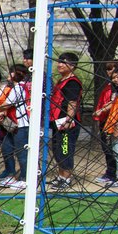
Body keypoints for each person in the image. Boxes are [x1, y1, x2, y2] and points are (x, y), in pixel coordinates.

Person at [47, 52, 83, 190]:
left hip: (67, 123)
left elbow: (72, 102)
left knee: (65, 149)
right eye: (59, 62)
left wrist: (69, 120)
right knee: (57, 149)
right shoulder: (62, 80)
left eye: (64, 62)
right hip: (58, 121)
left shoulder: (72, 82)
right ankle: (61, 176)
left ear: (73, 66)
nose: (60, 65)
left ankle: (66, 179)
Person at [0, 65, 31, 190]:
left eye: (10, 73)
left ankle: (24, 178)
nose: (8, 76)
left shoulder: (18, 87)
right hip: (15, 124)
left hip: (21, 124)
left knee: (22, 153)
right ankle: (12, 174)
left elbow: (6, 104)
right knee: (7, 148)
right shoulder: (22, 86)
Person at [93, 60, 118, 184]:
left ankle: (113, 173)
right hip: (104, 119)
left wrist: (101, 110)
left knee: (111, 148)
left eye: (111, 69)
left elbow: (114, 102)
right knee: (106, 148)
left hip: (111, 120)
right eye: (108, 69)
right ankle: (110, 172)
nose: (109, 72)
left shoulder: (117, 87)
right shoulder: (109, 85)